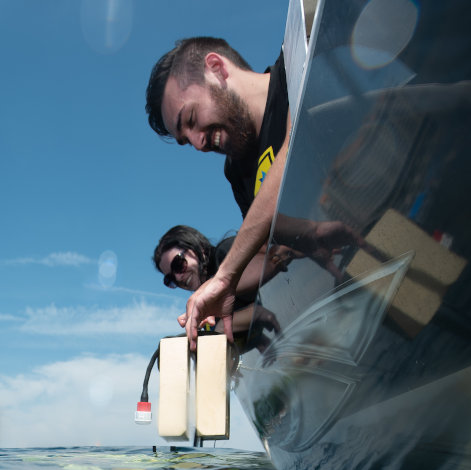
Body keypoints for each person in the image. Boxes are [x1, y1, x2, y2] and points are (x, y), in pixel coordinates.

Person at [146, 37, 364, 348]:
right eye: (186, 140)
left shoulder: (295, 65)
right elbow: (269, 237)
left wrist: (225, 277)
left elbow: (294, 141)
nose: (198, 144)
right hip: (357, 299)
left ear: (217, 68)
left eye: (192, 119)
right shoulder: (237, 173)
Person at [153, 225, 284, 352]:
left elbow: (275, 259)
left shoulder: (226, 254)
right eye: (170, 279)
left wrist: (252, 315)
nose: (178, 277)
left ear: (198, 248)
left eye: (178, 264)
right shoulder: (208, 314)